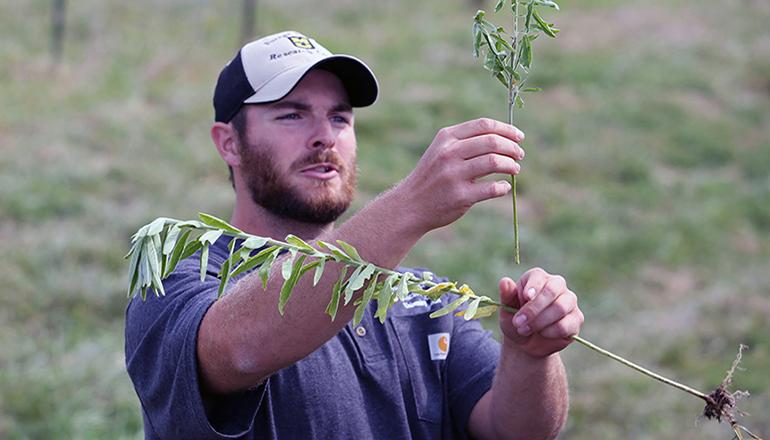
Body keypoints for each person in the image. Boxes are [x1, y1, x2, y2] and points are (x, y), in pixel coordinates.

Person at [125, 30, 584, 440]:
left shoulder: (421, 298)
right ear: (229, 143)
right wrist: (411, 205)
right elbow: (240, 350)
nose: (324, 136)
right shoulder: (175, 282)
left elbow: (516, 430)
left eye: (340, 118)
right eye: (292, 115)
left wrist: (530, 355)